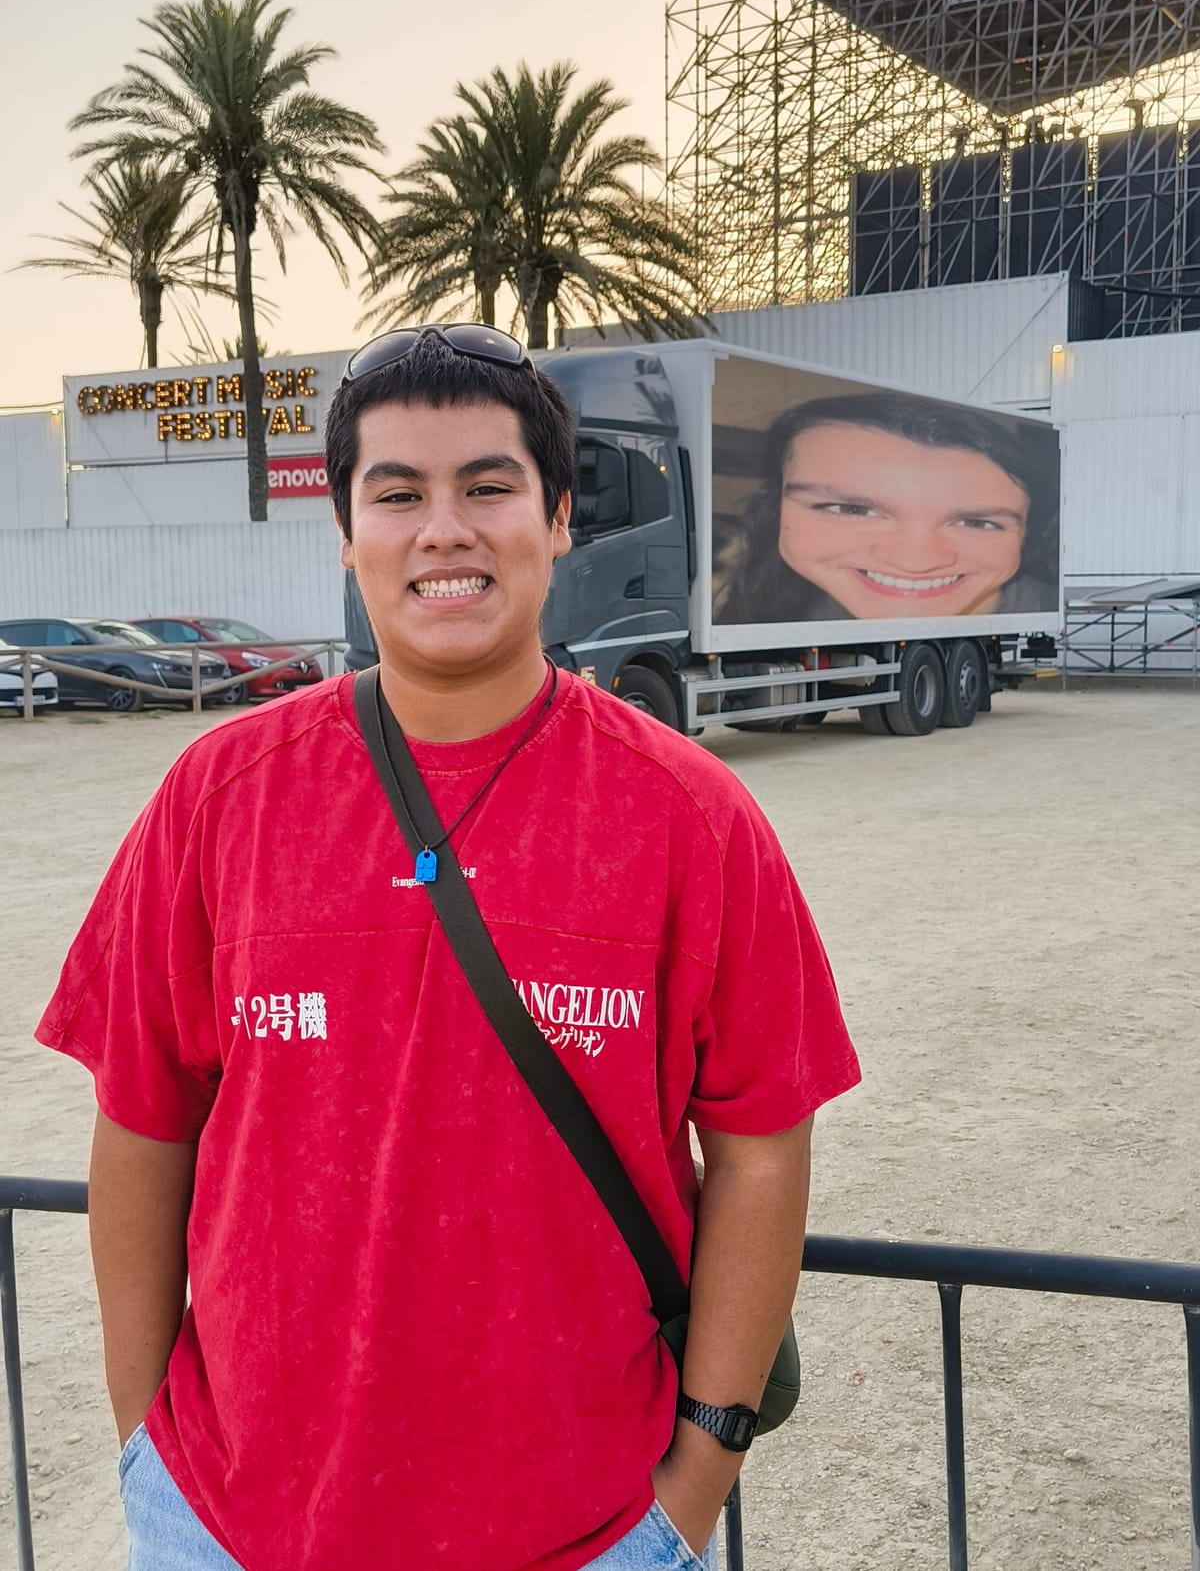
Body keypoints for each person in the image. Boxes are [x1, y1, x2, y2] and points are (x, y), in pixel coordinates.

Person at [36, 324, 860, 1571]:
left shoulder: (691, 817)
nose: (444, 531)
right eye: (397, 494)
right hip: (228, 1524)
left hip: (587, 1532)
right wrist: (147, 1440)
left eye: (488, 486)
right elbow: (143, 1120)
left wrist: (698, 1474)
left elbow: (762, 1145)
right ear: (345, 531)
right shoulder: (220, 798)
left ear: (560, 517)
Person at [714, 391, 1060, 625]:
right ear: (777, 510)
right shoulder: (763, 599)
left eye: (975, 522)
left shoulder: (1046, 610)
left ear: (1027, 532)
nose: (915, 561)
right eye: (850, 510)